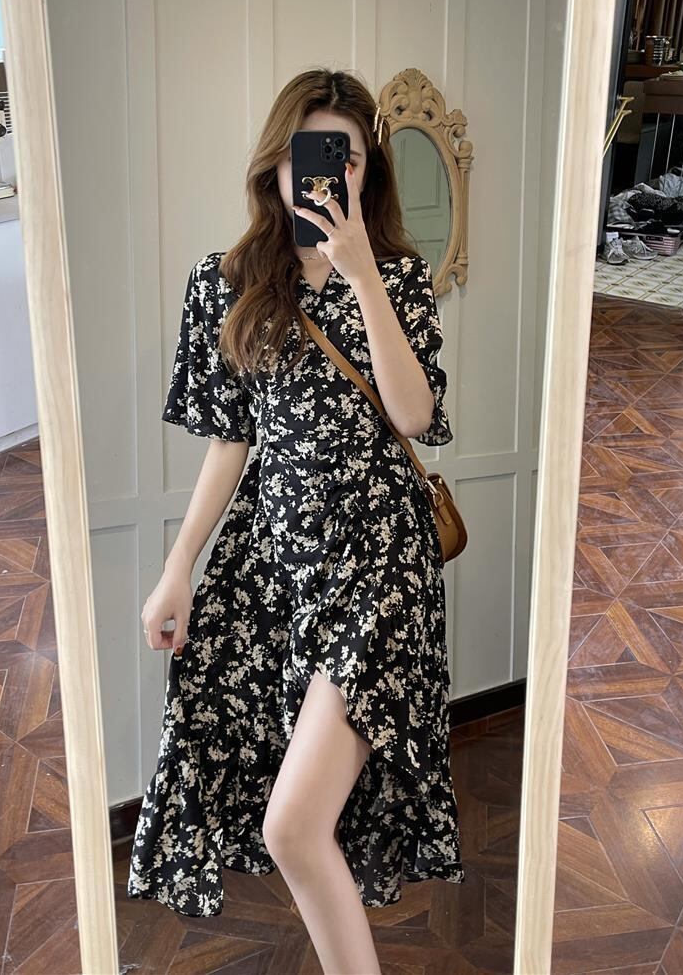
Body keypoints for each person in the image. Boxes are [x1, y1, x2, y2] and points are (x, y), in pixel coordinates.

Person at [127, 68, 464, 974]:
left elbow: (414, 416)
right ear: (276, 163)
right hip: (277, 565)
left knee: (293, 826)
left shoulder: (397, 277)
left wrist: (362, 277)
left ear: (368, 169)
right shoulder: (226, 283)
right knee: (290, 811)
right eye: (312, 153)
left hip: (382, 564)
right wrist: (178, 567)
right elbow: (229, 441)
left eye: (346, 156)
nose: (328, 173)